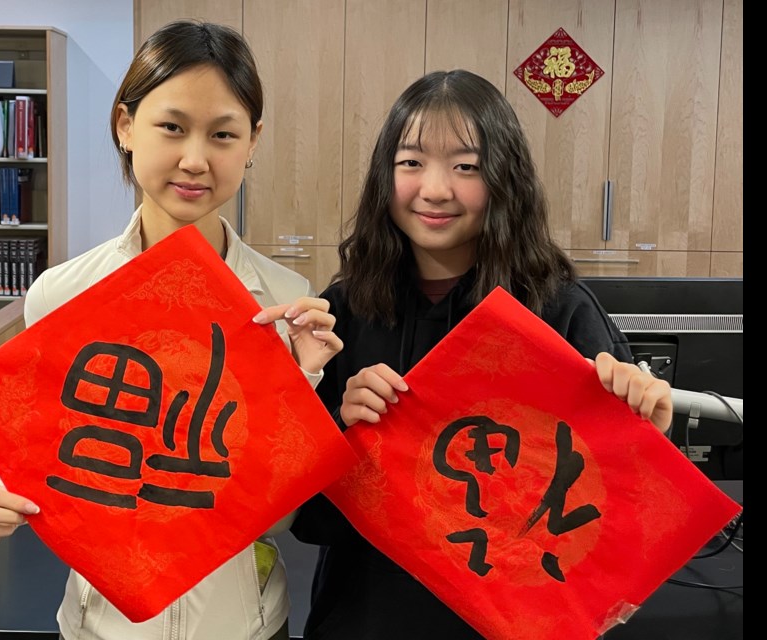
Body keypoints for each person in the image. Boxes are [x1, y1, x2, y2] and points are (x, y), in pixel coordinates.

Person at [0, 20, 343, 640]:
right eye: (172, 127)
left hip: (246, 625)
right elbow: (46, 471)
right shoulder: (63, 293)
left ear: (253, 142)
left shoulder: (287, 303)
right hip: (102, 624)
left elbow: (283, 516)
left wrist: (301, 382)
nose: (194, 159)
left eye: (223, 135)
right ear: (125, 126)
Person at [289, 69, 674, 640]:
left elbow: (618, 527)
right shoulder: (343, 312)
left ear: (503, 179)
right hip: (364, 616)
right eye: (411, 162)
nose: (436, 189)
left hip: (515, 621)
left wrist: (650, 435)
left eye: (465, 166)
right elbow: (310, 520)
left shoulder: (557, 310)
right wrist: (344, 433)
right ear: (383, 177)